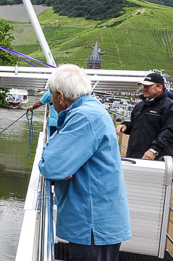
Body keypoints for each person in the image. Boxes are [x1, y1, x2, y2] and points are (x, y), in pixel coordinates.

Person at [38, 64, 131, 260]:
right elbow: (56, 160)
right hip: (95, 222)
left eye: (51, 95)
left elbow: (51, 165)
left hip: (92, 225)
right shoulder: (90, 110)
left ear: (60, 96)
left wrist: (56, 161)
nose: (51, 100)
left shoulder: (83, 117)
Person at [116, 73, 173, 160]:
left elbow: (169, 132)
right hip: (134, 156)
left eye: (148, 86)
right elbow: (135, 124)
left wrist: (154, 150)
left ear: (160, 87)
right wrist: (126, 126)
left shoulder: (169, 106)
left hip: (156, 159)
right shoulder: (139, 106)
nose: (144, 89)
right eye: (143, 86)